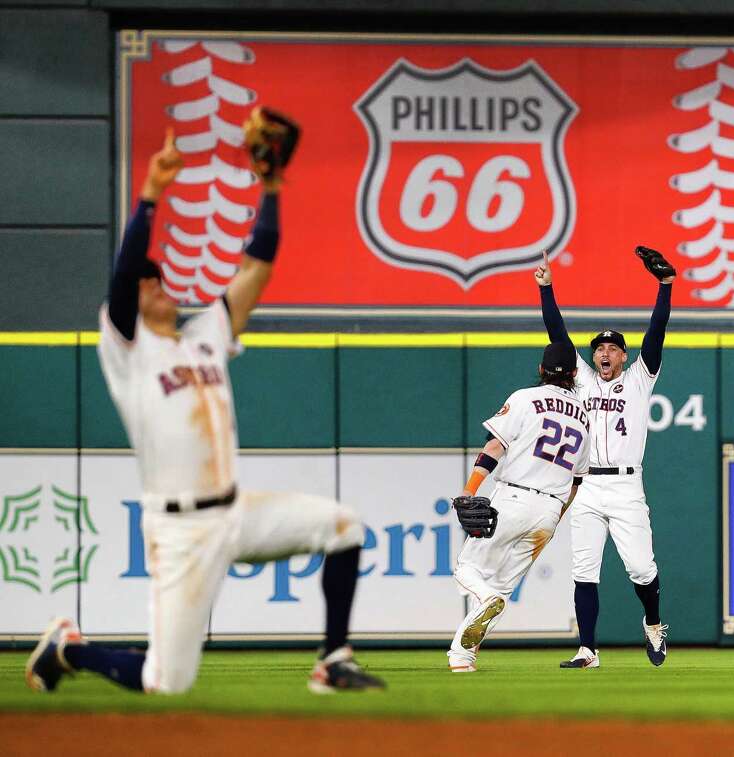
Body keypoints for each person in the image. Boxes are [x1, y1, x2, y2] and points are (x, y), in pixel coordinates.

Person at [25, 124, 384, 695]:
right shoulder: (128, 351)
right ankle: (69, 650)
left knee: (344, 527)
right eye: (146, 283)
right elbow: (124, 274)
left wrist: (271, 188)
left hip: (236, 511)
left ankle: (332, 661)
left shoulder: (204, 336)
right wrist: (150, 194)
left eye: (158, 277)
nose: (155, 284)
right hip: (180, 527)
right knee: (166, 682)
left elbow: (258, 265)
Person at [535, 247, 674, 669]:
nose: (605, 352)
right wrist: (546, 289)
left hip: (627, 485)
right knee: (584, 569)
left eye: (613, 348)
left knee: (641, 569)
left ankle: (653, 623)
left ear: (624, 357)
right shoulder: (581, 383)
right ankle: (588, 650)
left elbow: (656, 334)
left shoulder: (639, 380)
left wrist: (664, 288)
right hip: (588, 485)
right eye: (600, 348)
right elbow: (558, 336)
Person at [447, 341, 593, 672]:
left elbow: (496, 446)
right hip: (550, 510)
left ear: (542, 369)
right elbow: (576, 482)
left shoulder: (525, 398)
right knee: (501, 587)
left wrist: (469, 490)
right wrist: (555, 519)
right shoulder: (584, 416)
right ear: (573, 374)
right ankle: (462, 657)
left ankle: (486, 600)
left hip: (514, 497)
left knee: (466, 569)